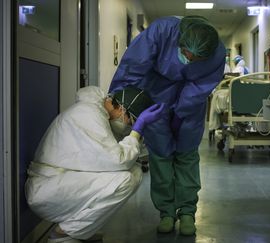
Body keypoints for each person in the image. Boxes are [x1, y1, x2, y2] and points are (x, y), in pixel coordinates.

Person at [109, 15, 226, 235]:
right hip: (154, 94)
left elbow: (200, 86)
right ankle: (166, 212)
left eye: (196, 59)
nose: (189, 60)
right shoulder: (162, 31)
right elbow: (133, 65)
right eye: (186, 54)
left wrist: (181, 112)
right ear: (180, 42)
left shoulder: (217, 53)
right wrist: (122, 100)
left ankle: (188, 212)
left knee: (187, 153)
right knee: (161, 154)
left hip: (191, 103)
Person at [25, 86, 165, 243]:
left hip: (58, 180)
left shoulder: (97, 113)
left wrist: (138, 131)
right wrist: (137, 130)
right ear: (122, 109)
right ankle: (64, 234)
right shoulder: (89, 115)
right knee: (125, 180)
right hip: (46, 189)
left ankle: (80, 229)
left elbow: (114, 153)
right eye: (131, 121)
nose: (129, 126)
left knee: (134, 172)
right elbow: (119, 160)